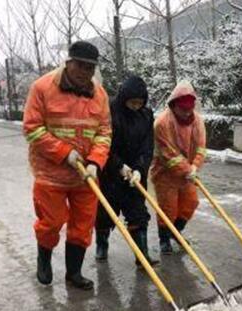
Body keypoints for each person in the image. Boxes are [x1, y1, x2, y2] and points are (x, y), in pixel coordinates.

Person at [22, 41, 111, 290]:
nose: (86, 73)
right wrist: (64, 153)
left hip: (85, 176)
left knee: (83, 226)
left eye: (91, 68)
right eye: (81, 66)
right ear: (68, 62)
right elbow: (32, 129)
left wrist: (95, 161)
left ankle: (74, 273)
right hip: (51, 174)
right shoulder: (42, 87)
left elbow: (104, 132)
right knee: (51, 222)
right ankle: (44, 259)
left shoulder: (99, 94)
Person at [94, 75, 159, 267]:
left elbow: (148, 147)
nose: (136, 106)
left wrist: (139, 169)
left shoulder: (146, 116)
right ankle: (102, 244)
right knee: (105, 214)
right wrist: (119, 166)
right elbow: (104, 144)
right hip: (110, 174)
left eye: (140, 103)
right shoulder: (110, 112)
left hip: (134, 177)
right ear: (124, 98)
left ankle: (142, 256)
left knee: (138, 213)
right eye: (133, 102)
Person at [150, 81, 206, 254]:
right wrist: (188, 170)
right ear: (174, 105)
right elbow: (169, 155)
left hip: (188, 173)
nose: (187, 112)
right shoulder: (162, 123)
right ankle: (164, 239)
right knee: (168, 209)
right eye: (183, 109)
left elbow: (201, 147)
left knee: (191, 202)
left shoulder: (197, 121)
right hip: (165, 174)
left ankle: (176, 231)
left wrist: (195, 166)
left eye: (190, 109)